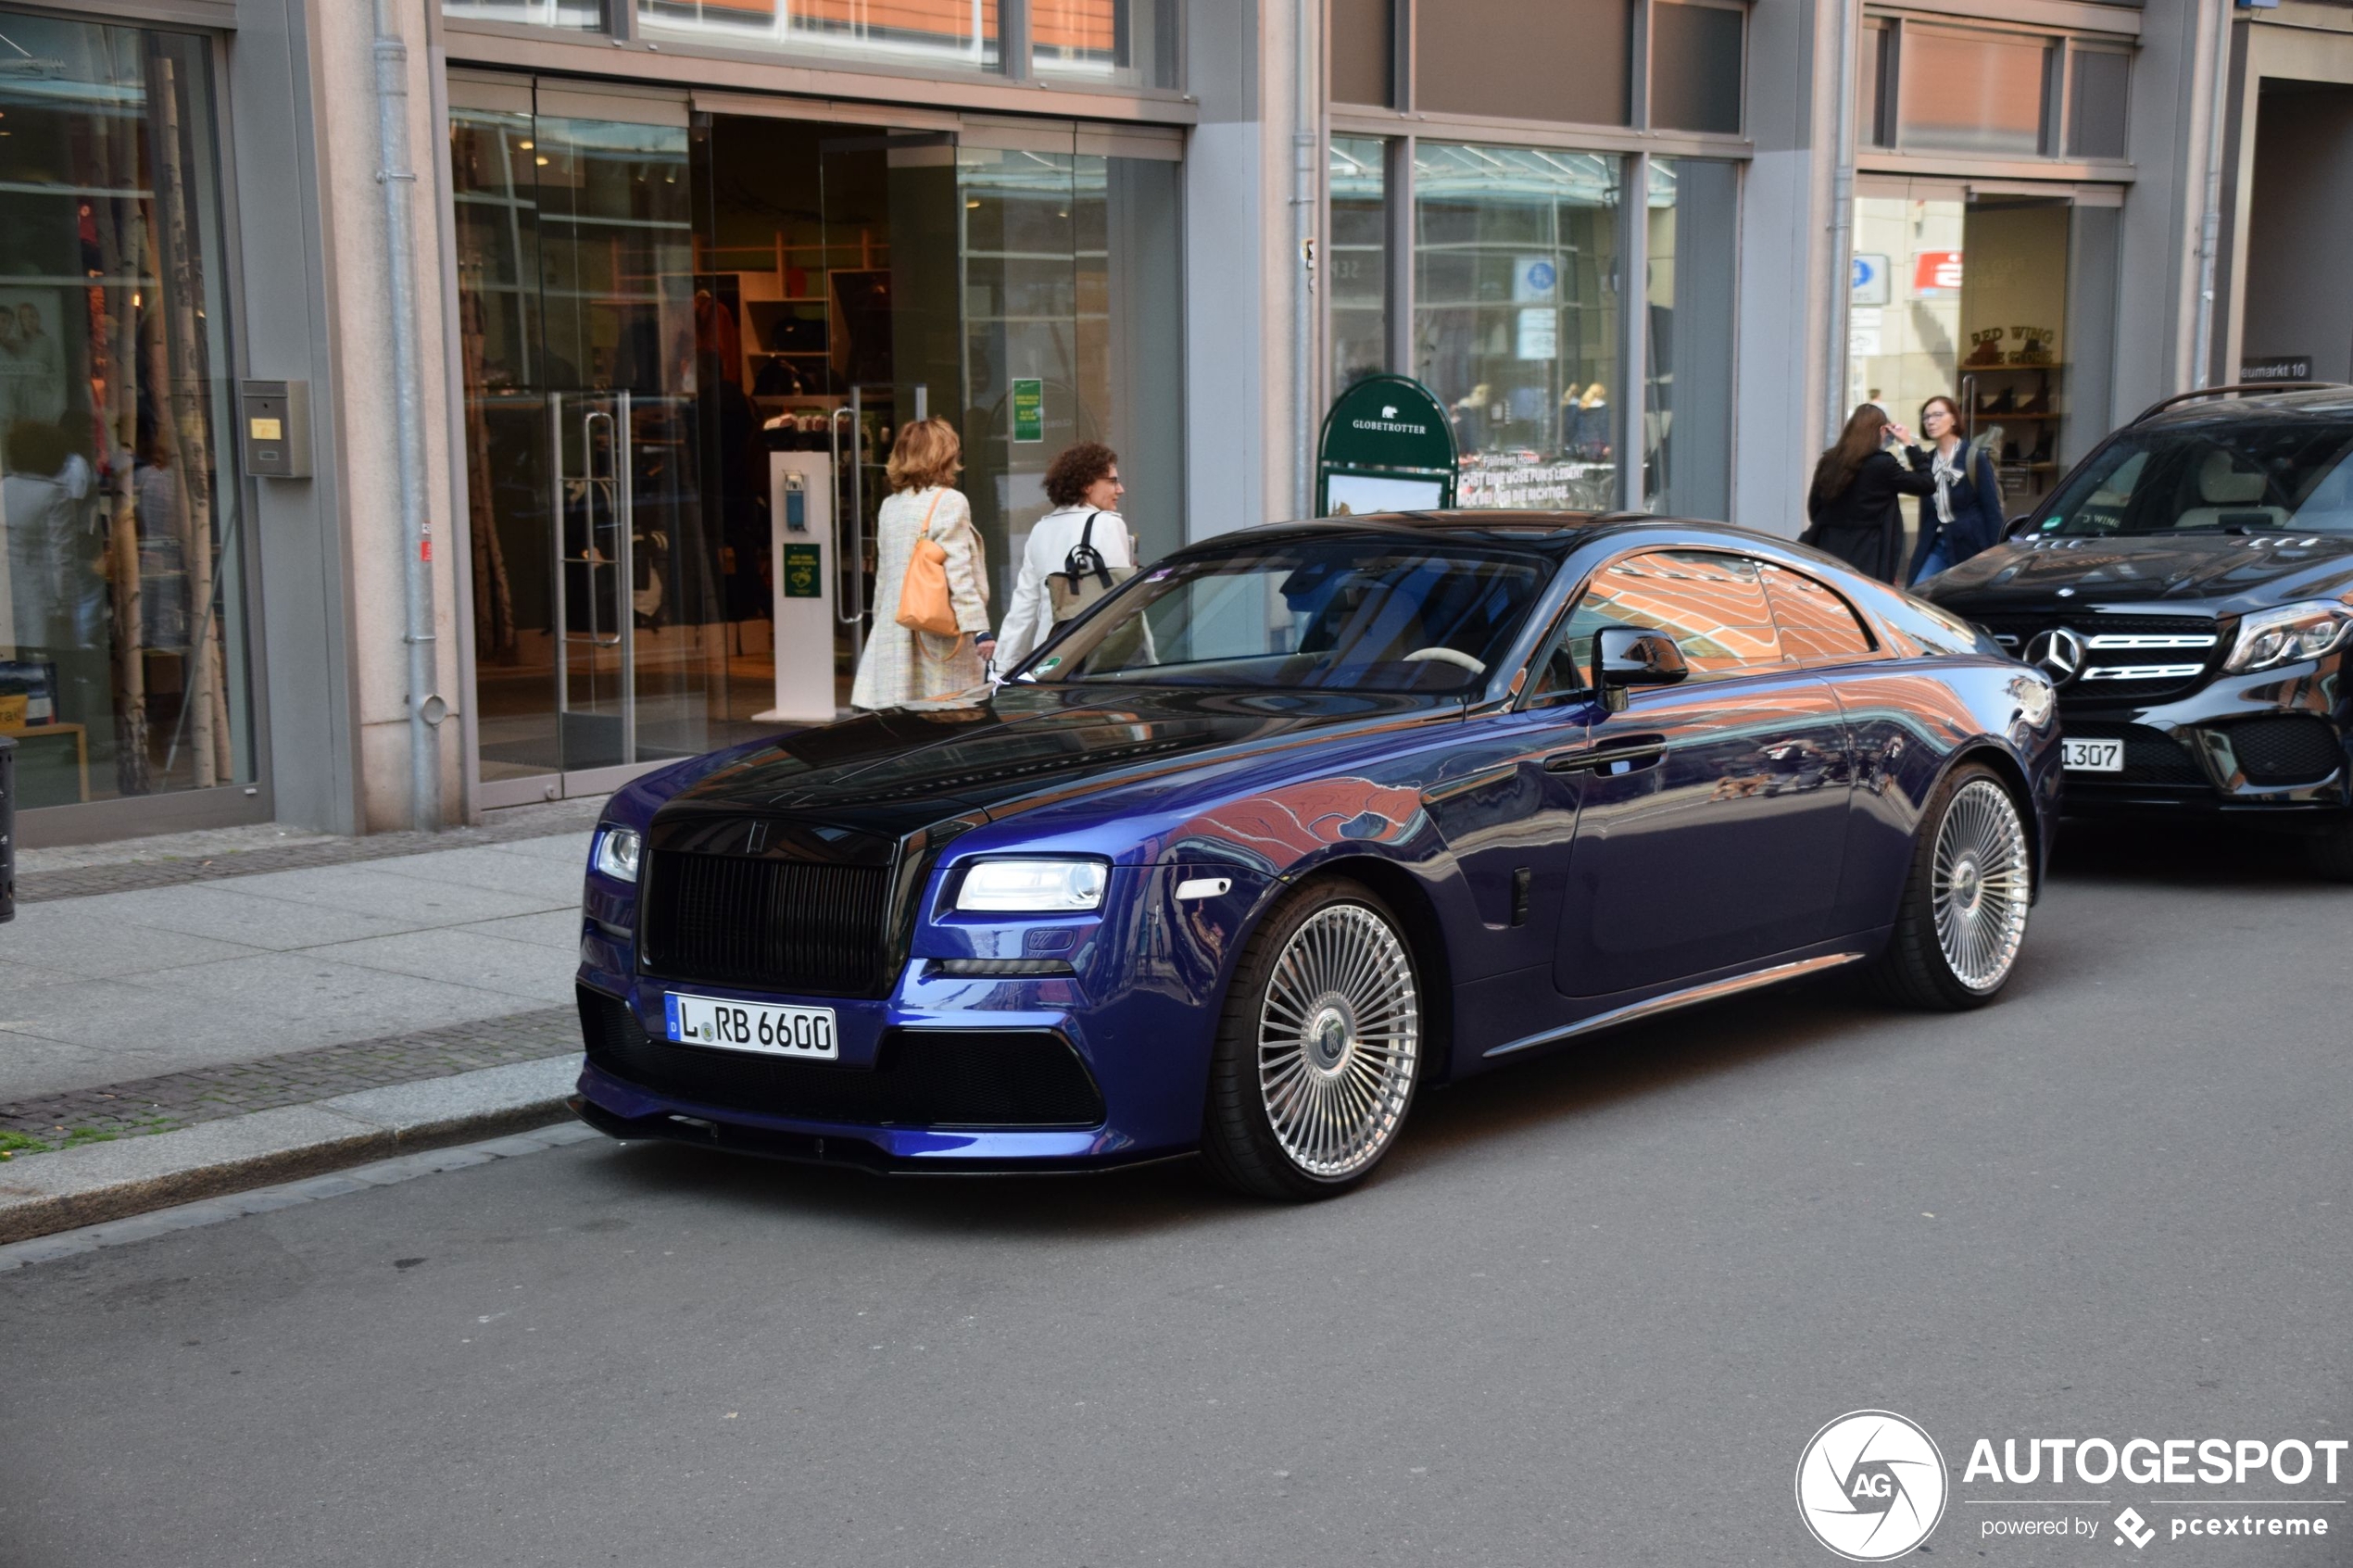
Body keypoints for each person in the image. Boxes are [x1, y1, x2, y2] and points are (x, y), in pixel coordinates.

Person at [847, 417, 992, 710]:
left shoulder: (891, 505)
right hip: (938, 634)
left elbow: (884, 578)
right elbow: (958, 574)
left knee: (903, 723)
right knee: (947, 719)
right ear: (945, 455)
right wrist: (980, 630)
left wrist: (881, 629)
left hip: (896, 628)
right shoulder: (950, 501)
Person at [994, 440, 1136, 673]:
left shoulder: (1041, 529)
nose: (1120, 489)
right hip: (1095, 659)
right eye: (1112, 481)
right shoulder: (1108, 524)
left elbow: (1023, 607)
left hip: (1050, 657)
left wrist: (1002, 667)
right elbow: (1121, 603)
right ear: (1087, 485)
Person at [1804, 403, 1935, 583]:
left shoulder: (1829, 460)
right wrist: (1909, 443)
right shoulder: (1882, 465)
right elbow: (1926, 484)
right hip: (1868, 552)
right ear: (1882, 430)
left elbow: (1814, 507)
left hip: (1827, 546)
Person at [1906, 394, 2007, 584]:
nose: (1930, 422)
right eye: (1926, 417)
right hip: (1935, 544)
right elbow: (1926, 513)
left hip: (1970, 545)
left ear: (1953, 419)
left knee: (1964, 600)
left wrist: (1995, 554)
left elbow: (1991, 510)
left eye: (1937, 415)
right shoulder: (1927, 461)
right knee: (1917, 593)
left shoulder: (1973, 457)